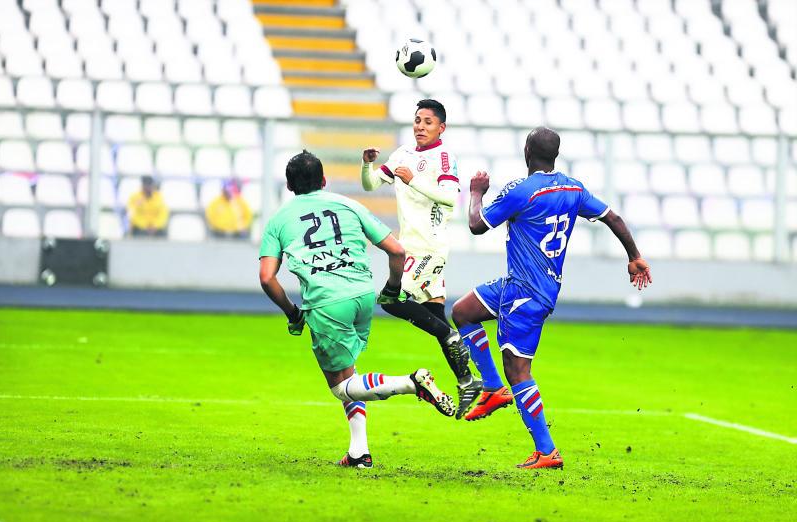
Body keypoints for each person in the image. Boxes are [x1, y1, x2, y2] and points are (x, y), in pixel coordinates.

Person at [451, 127, 653, 469]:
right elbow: (612, 217)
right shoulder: (573, 188)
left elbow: (476, 225)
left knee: (519, 371)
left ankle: (546, 451)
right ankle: (492, 388)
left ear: (527, 150)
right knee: (462, 312)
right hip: (520, 285)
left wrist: (475, 192)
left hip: (526, 294)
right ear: (554, 155)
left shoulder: (521, 191)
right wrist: (633, 255)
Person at [259, 150, 456, 469]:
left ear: (289, 186)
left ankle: (412, 383)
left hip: (326, 302)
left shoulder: (279, 219)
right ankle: (358, 452)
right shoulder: (348, 205)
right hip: (363, 295)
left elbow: (267, 278)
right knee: (348, 370)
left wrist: (292, 314)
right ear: (324, 180)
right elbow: (396, 250)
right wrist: (392, 288)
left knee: (340, 386)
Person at [360, 99, 482, 418]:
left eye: (428, 122)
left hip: (428, 246)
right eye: (417, 120)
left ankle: (451, 339)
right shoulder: (402, 153)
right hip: (411, 243)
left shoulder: (444, 157)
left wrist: (414, 180)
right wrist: (366, 165)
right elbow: (371, 184)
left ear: (441, 127)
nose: (420, 126)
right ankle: (467, 380)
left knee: (389, 299)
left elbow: (450, 197)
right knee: (434, 314)